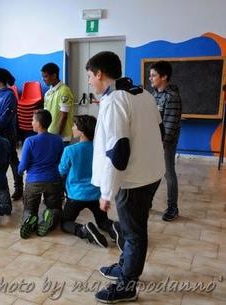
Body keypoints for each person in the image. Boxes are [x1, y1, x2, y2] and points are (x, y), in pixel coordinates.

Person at [85, 51, 164, 303]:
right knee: (134, 227)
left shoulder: (115, 101)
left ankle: (127, 285)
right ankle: (125, 265)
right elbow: (159, 130)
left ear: (99, 74)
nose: (89, 82)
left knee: (133, 232)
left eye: (89, 76)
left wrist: (107, 192)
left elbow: (118, 151)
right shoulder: (142, 94)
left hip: (133, 180)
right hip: (150, 173)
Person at [59, 115, 122, 249]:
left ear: (81, 131)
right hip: (97, 195)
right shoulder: (101, 149)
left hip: (76, 196)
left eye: (74, 125)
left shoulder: (70, 150)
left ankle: (83, 230)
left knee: (65, 223)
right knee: (102, 221)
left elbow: (61, 171)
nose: (72, 127)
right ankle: (113, 227)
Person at [18, 109, 64, 239]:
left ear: (38, 123)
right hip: (53, 180)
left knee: (29, 208)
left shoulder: (30, 141)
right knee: (54, 207)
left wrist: (20, 171)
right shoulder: (58, 140)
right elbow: (61, 161)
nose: (31, 122)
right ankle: (48, 217)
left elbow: (23, 165)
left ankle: (30, 219)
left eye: (33, 120)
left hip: (34, 181)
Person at [149, 61, 182, 221]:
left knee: (168, 173)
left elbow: (169, 124)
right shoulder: (155, 94)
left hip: (166, 143)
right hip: (154, 141)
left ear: (164, 77)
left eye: (154, 75)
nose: (151, 78)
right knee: (152, 173)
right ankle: (147, 201)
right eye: (151, 75)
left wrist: (161, 145)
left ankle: (172, 208)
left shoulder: (172, 97)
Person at [0, 68, 24, 200]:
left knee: (12, 160)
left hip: (7, 135)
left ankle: (19, 188)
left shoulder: (10, 95)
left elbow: (5, 117)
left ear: (1, 79)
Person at [41, 63, 75, 144]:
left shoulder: (64, 90)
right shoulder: (48, 93)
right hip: (50, 133)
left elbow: (64, 116)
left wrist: (58, 136)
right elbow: (46, 114)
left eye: (45, 76)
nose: (43, 79)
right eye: (42, 76)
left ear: (54, 76)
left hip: (62, 136)